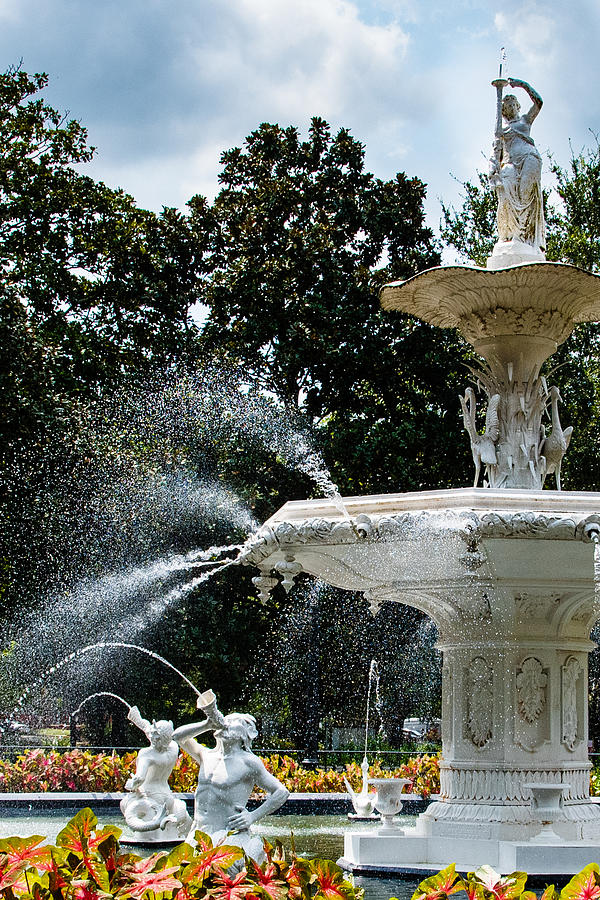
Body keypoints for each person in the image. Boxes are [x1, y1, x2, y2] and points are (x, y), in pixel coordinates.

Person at [172, 691, 289, 861]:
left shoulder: (249, 762)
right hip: (198, 833)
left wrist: (252, 816)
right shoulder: (206, 755)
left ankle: (252, 851)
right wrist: (206, 724)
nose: (225, 723)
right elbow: (177, 736)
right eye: (225, 719)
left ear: (244, 733)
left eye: (233, 721)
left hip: (228, 834)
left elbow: (281, 792)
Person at [488, 77, 546, 253]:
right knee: (506, 193)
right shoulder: (502, 131)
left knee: (525, 194)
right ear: (503, 111)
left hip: (529, 159)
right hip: (510, 163)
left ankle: (526, 239)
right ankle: (511, 234)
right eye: (506, 106)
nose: (510, 107)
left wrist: (523, 85)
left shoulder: (525, 121)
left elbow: (539, 103)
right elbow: (496, 141)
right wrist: (499, 94)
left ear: (518, 107)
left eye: (513, 104)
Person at [120, 706, 191, 839]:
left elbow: (140, 778)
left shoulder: (147, 754)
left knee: (125, 804)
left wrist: (131, 785)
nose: (152, 738)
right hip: (167, 796)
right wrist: (138, 720)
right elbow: (150, 730)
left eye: (155, 736)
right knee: (164, 835)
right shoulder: (173, 748)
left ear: (160, 738)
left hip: (149, 796)